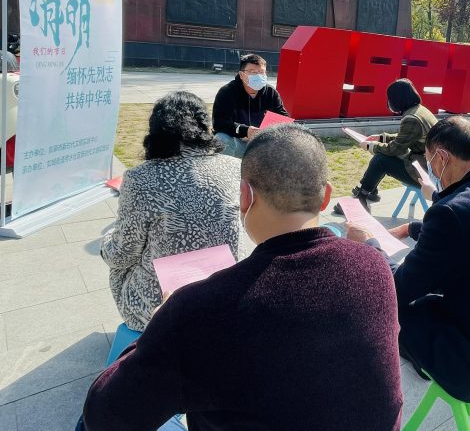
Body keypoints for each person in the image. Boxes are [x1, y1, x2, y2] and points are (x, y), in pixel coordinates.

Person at [81, 125, 403, 431]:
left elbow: (104, 416)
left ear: (245, 196)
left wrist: (158, 324)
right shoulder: (375, 267)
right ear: (326, 196)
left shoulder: (199, 310)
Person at [347, 117, 470, 403]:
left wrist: (370, 245)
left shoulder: (453, 212)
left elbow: (398, 288)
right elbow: (469, 227)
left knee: (383, 304)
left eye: (429, 160)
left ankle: (405, 373)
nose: (430, 168)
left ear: (441, 157)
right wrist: (413, 228)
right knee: (428, 296)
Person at [101, 91, 242, 332]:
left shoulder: (140, 178)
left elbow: (122, 254)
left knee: (117, 264)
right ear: (204, 127)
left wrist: (106, 243)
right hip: (224, 292)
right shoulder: (234, 167)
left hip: (164, 304)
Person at [333, 78, 437, 214]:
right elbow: (407, 137)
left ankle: (361, 199)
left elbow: (395, 149)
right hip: (430, 166)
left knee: (381, 159)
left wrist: (371, 146)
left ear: (397, 99)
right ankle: (369, 190)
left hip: (426, 174)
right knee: (383, 157)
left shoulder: (412, 119)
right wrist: (382, 137)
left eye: (390, 98)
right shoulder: (420, 111)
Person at [212, 53, 289, 157]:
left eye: (261, 72)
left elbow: (283, 118)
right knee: (221, 139)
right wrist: (245, 131)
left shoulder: (270, 93)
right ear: (241, 74)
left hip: (262, 143)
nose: (258, 76)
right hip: (238, 142)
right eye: (253, 72)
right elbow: (219, 123)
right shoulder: (227, 92)